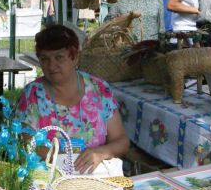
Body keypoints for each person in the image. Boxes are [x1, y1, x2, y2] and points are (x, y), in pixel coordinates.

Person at [16, 24, 129, 174]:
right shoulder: (33, 95)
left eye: (59, 57)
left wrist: (100, 153)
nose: (51, 66)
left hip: (93, 178)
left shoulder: (99, 90)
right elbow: (26, 143)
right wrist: (62, 161)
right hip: (48, 179)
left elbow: (121, 140)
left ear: (75, 57)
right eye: (45, 59)